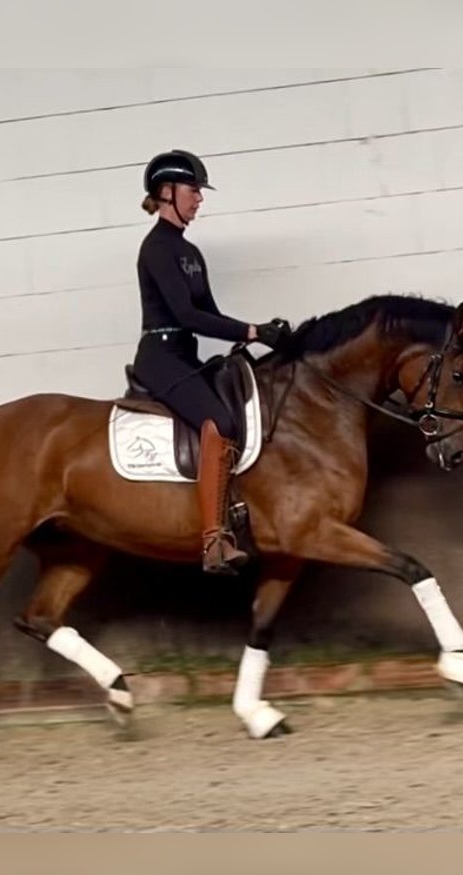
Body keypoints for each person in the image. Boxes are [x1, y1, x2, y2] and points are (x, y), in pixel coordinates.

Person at [131, 148, 291, 575]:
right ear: (166, 193)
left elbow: (211, 315)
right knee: (218, 422)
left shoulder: (190, 253)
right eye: (193, 190)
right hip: (160, 357)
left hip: (185, 355)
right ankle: (213, 542)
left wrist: (261, 333)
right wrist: (251, 332)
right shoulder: (157, 249)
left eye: (200, 192)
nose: (199, 199)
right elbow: (184, 315)